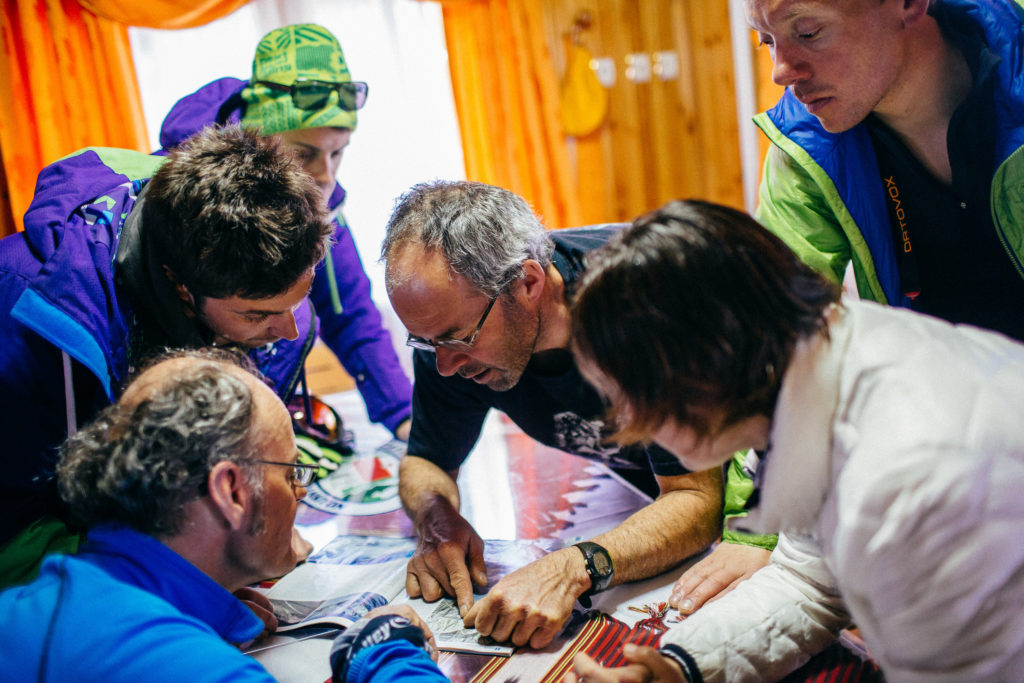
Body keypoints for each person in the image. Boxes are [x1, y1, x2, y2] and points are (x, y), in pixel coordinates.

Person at [567, 200, 1024, 681]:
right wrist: (682, 667)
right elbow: (809, 580)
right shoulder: (813, 369)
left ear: (699, 364)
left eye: (627, 392)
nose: (627, 421)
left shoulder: (900, 479)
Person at [380, 180, 727, 650]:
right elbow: (426, 461)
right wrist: (436, 518)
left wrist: (573, 567)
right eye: (424, 342)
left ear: (528, 283)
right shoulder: (449, 332)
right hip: (651, 488)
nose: (443, 364)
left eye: (456, 338)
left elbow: (698, 498)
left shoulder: (645, 304)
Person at [0, 125, 331, 586]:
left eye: (299, 299)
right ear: (180, 285)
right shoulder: (25, 322)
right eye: (257, 315)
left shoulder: (254, 291)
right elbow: (13, 536)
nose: (289, 330)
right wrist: (169, 581)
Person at [0, 349, 444, 682]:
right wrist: (384, 650)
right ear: (230, 490)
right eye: (291, 473)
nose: (302, 491)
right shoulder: (199, 669)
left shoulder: (29, 608)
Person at [159, 22, 413, 441]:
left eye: (337, 153)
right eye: (304, 154)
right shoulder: (181, 198)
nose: (326, 176)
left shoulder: (322, 202)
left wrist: (404, 416)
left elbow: (350, 312)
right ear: (259, 138)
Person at [751, 0, 1024, 341]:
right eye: (767, 41)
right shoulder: (804, 150)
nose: (779, 72)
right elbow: (772, 322)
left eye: (809, 32)